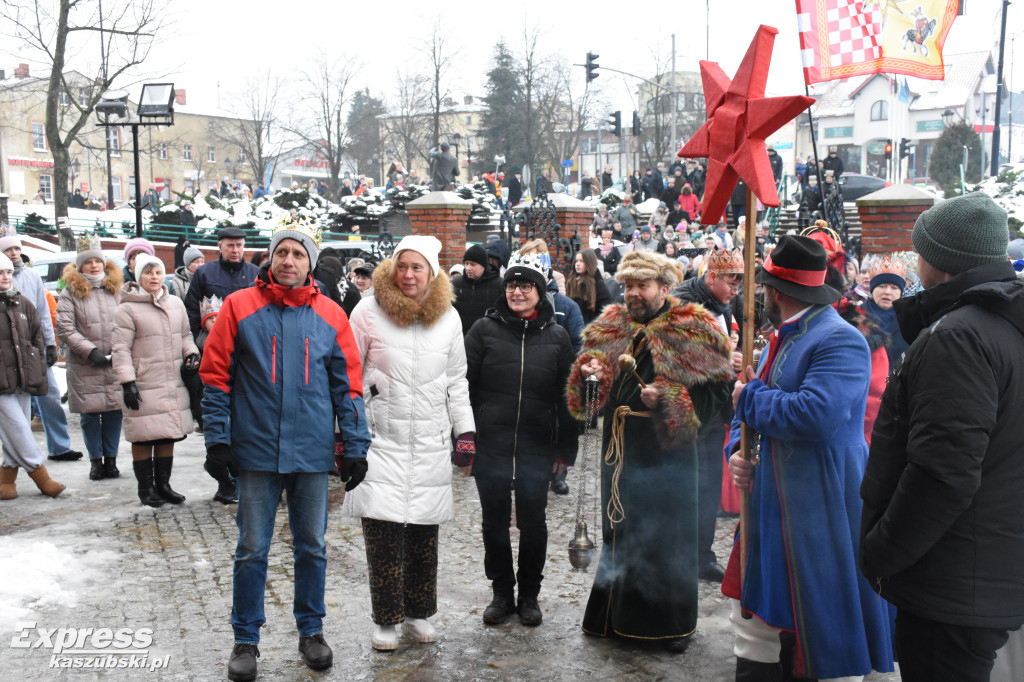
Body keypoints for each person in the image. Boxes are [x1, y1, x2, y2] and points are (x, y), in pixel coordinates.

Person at [860, 192, 1024, 681]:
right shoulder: (1002, 324)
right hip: (984, 566)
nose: (916, 260)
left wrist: (882, 552)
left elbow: (943, 472)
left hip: (951, 578)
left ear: (942, 262)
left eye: (920, 250)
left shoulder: (959, 336)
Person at [201, 221, 370, 680]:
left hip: (312, 452)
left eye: (298, 254)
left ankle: (311, 630)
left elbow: (349, 388)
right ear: (270, 258)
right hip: (254, 451)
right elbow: (216, 377)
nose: (288, 261)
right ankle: (245, 639)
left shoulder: (332, 315)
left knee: (312, 546)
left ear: (310, 263)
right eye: (282, 253)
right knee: (252, 548)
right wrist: (218, 439)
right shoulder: (239, 307)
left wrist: (355, 446)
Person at [726, 235, 894, 680]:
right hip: (769, 503)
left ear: (775, 292)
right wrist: (737, 453)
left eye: (763, 288)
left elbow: (814, 416)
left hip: (822, 502)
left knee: (825, 620)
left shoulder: (841, 341)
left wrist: (750, 396)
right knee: (759, 621)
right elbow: (743, 416)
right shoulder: (781, 336)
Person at [569, 251, 733, 652]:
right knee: (620, 529)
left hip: (669, 457)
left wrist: (669, 398)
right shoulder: (610, 326)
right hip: (621, 452)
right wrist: (591, 376)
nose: (633, 294)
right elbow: (588, 405)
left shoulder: (695, 327)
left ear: (664, 286)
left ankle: (668, 626)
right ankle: (614, 618)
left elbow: (718, 399)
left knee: (667, 538)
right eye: (628, 286)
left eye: (642, 285)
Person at [342, 235, 474, 651]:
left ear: (432, 271)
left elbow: (456, 378)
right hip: (381, 438)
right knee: (382, 532)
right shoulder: (367, 310)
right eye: (403, 266)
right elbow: (348, 374)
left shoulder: (449, 318)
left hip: (430, 440)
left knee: (422, 534)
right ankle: (385, 617)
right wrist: (348, 433)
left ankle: (418, 612)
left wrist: (464, 431)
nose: (409, 275)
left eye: (417, 267)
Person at [464, 253, 578, 627]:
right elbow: (465, 386)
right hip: (491, 443)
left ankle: (529, 594)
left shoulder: (558, 336)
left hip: (536, 444)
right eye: (512, 284)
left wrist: (566, 447)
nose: (517, 291)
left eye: (525, 285)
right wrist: (465, 437)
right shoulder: (484, 330)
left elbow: (567, 396)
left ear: (540, 292)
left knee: (533, 523)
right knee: (494, 523)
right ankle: (501, 592)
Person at [671, 248, 744, 583]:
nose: (735, 290)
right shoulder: (681, 303)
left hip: (714, 410)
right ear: (711, 277)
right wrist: (723, 361)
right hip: (687, 410)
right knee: (685, 486)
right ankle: (679, 555)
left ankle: (703, 555)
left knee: (710, 484)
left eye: (739, 284)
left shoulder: (724, 305)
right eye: (731, 282)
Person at [112, 254, 198, 507]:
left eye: (158, 272)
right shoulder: (126, 308)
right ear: (138, 276)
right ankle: (146, 488)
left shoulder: (175, 304)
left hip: (172, 381)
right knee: (142, 435)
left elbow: (185, 335)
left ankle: (164, 484)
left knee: (166, 434)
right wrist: (127, 382)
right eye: (148, 272)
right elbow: (120, 349)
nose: (154, 277)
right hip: (143, 382)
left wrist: (192, 354)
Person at [186, 226, 260, 504]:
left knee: (246, 415)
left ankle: (244, 476)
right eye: (230, 245)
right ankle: (222, 478)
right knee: (216, 413)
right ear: (220, 247)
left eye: (240, 245)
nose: (235, 249)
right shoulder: (205, 274)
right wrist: (197, 343)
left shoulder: (254, 274)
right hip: (215, 351)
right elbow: (192, 310)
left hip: (249, 355)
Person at [0, 225, 82, 462]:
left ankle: (59, 446)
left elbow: (44, 313)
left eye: (17, 248)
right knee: (16, 409)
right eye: (8, 249)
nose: (14, 253)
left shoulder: (31, 276)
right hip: (8, 352)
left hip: (32, 345)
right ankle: (16, 458)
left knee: (50, 395)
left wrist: (49, 344)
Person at [56, 235, 124, 482]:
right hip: (85, 363)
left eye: (98, 261)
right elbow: (65, 327)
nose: (94, 265)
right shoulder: (69, 293)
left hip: (114, 361)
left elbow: (127, 322)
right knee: (90, 414)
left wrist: (119, 350)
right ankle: (96, 461)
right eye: (89, 261)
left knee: (115, 410)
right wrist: (90, 351)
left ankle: (112, 459)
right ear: (80, 265)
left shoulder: (115, 290)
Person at [0, 252, 66, 501]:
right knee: (18, 427)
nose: (5, 277)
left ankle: (6, 479)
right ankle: (41, 476)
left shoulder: (23, 302)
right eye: (0, 273)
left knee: (14, 431)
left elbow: (36, 336)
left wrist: (38, 362)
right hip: (1, 381)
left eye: (8, 271)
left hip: (23, 378)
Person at [861, 256, 909, 368]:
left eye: (894, 288)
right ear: (872, 290)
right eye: (882, 286)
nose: (887, 292)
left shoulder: (909, 319)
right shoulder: (857, 315)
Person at [453, 244, 503, 335]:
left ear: (483, 265)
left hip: (488, 338)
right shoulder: (456, 284)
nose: (468, 268)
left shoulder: (499, 285)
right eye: (466, 263)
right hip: (460, 338)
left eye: (473, 264)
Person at [565, 249, 611, 325]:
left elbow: (605, 311)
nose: (578, 264)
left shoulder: (598, 284)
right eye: (576, 261)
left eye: (582, 261)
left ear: (590, 263)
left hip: (590, 329)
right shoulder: (571, 281)